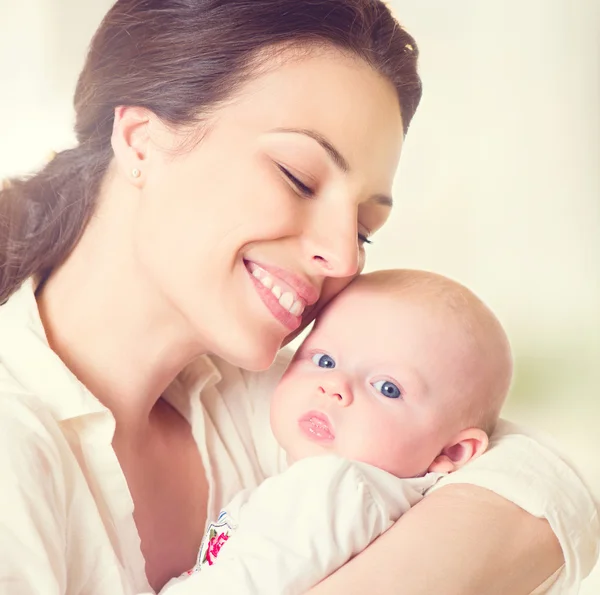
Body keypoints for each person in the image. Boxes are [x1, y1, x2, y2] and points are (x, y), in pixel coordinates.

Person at [0, 1, 597, 594]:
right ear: (139, 140)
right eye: (298, 178)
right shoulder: (17, 437)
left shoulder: (260, 402)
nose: (343, 257)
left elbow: (544, 487)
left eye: (363, 229)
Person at [157, 269, 513, 595]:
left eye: (387, 387)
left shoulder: (335, 490)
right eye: (325, 361)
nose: (334, 386)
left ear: (452, 452)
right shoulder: (371, 499)